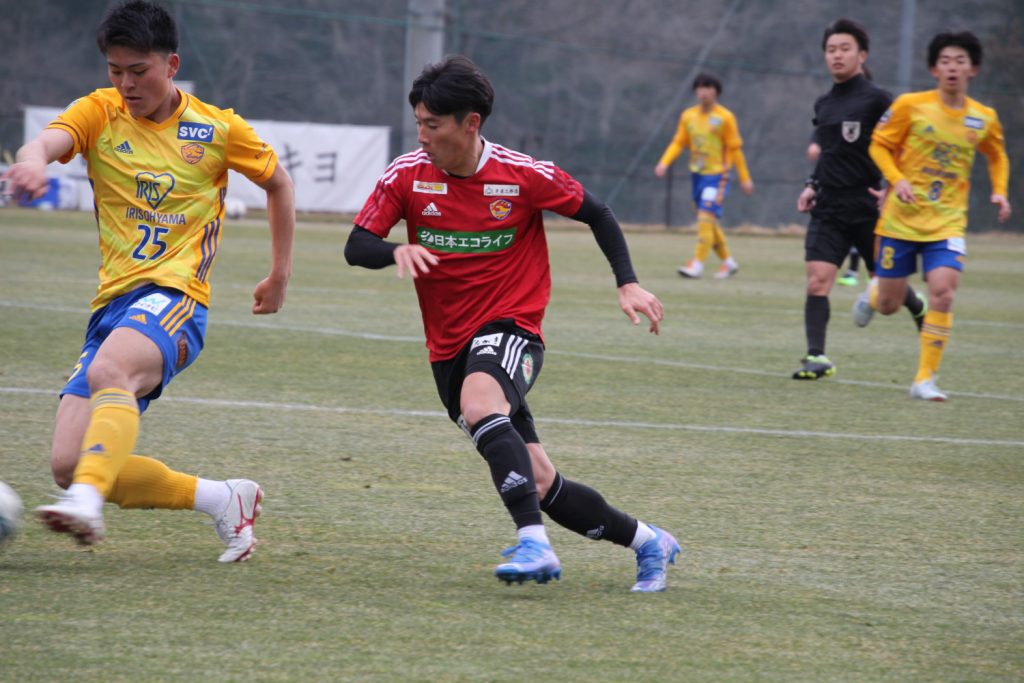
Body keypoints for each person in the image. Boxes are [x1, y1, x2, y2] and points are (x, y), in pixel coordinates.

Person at [345, 55, 680, 591]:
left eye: (433, 124)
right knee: (539, 481)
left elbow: (597, 212)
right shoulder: (407, 174)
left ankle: (533, 542)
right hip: (447, 348)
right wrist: (394, 252)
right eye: (418, 124)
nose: (422, 136)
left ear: (470, 123)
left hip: (512, 326)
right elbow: (357, 245)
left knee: (482, 406)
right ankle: (648, 541)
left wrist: (628, 282)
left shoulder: (522, 174)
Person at [2, 0, 295, 560]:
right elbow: (45, 142)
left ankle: (87, 501)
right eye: (115, 70)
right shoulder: (99, 112)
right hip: (112, 305)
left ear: (171, 64)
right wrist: (33, 160)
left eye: (139, 71)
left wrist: (279, 273)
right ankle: (222, 498)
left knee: (109, 375)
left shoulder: (217, 128)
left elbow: (278, 183)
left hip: (176, 300)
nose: (127, 84)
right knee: (68, 462)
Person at [855, 30, 1010, 400]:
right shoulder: (911, 105)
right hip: (900, 220)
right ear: (933, 69)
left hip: (947, 222)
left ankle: (924, 379)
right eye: (945, 61)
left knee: (943, 293)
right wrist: (897, 180)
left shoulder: (983, 117)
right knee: (890, 305)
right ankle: (875, 294)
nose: (952, 67)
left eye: (960, 61)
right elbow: (878, 145)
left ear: (973, 69)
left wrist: (999, 191)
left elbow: (997, 155)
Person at [792, 19, 926, 380]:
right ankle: (817, 357)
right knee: (818, 281)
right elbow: (829, 154)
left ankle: (917, 305)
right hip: (829, 208)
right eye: (831, 50)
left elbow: (905, 145)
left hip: (870, 207)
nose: (837, 55)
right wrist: (811, 185)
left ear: (862, 54)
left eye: (844, 49)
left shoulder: (878, 99)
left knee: (887, 292)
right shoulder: (823, 104)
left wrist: (891, 186)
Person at [655, 73, 754, 279]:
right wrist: (664, 162)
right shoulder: (688, 116)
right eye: (700, 87)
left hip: (718, 176)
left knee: (705, 218)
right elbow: (678, 142)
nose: (704, 92)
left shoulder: (725, 117)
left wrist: (745, 178)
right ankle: (728, 262)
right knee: (708, 222)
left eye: (708, 87)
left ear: (716, 92)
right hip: (697, 176)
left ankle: (697, 264)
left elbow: (735, 149)